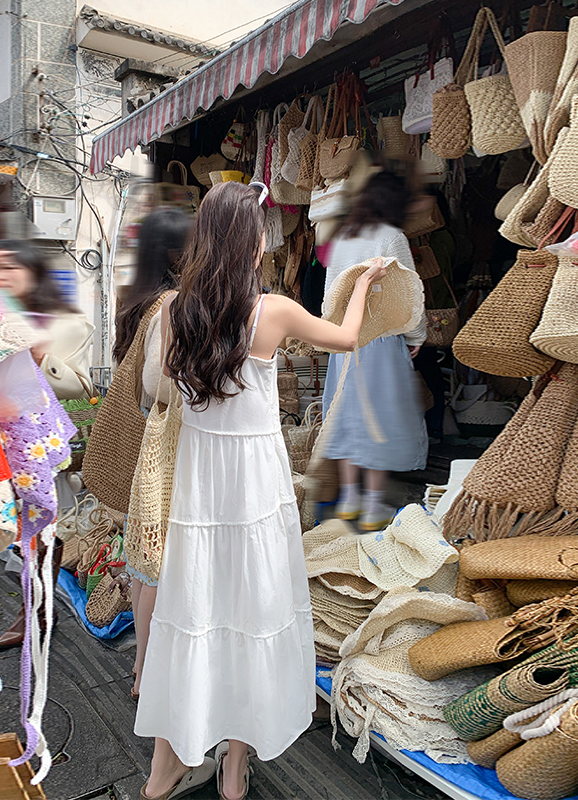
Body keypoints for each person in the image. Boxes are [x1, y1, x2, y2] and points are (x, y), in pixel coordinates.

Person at [135, 181, 388, 800]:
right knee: (255, 606)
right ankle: (234, 767)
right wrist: (359, 286)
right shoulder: (271, 310)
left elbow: (158, 391)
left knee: (194, 609)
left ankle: (165, 770)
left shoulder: (173, 309)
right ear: (253, 243)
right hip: (255, 481)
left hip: (200, 479)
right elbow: (348, 338)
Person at [0, 239, 95, 650]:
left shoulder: (63, 322)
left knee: (44, 531)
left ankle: (37, 612)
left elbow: (80, 384)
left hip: (37, 446)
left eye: (11, 266)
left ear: (33, 273)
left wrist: (37, 356)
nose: (1, 274)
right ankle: (34, 608)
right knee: (7, 527)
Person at [113, 208, 193, 701]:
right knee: (156, 565)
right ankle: (146, 669)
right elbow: (159, 383)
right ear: (175, 253)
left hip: (143, 439)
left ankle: (143, 667)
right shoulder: (169, 303)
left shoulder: (136, 297)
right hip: (162, 443)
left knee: (145, 563)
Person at [321, 170, 428, 531]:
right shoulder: (392, 237)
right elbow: (408, 294)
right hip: (381, 339)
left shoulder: (342, 238)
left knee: (349, 418)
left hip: (346, 341)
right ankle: (372, 504)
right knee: (379, 421)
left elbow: (330, 298)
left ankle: (350, 497)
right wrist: (416, 336)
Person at [0, 239, 95, 401]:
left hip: (39, 421)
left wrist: (41, 359)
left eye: (9, 267)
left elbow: (79, 391)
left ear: (33, 273)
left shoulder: (67, 324)